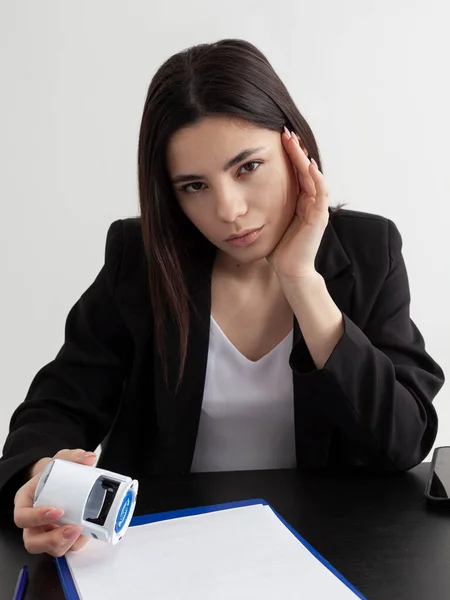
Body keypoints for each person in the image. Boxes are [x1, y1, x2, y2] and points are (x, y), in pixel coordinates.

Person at [0, 38, 444, 558]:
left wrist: (302, 281)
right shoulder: (141, 261)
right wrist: (42, 476)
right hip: (164, 549)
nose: (229, 210)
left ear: (295, 148)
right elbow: (55, 408)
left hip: (329, 548)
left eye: (247, 167)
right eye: (194, 186)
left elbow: (402, 443)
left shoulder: (369, 251)